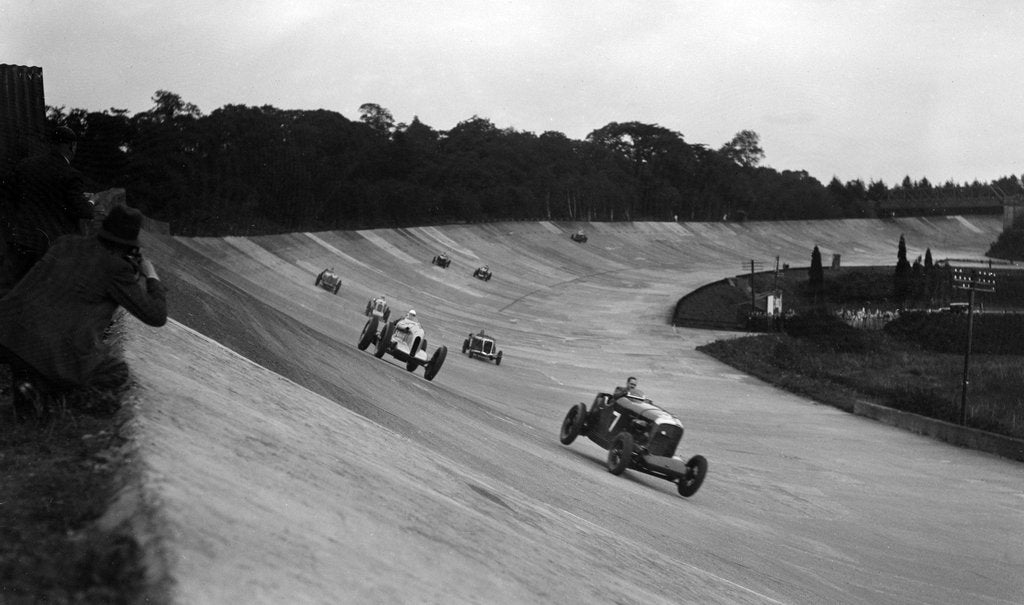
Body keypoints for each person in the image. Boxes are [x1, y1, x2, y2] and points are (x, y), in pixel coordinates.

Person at [0, 205, 167, 415]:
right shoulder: (117, 269)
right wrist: (151, 276)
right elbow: (156, 316)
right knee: (116, 372)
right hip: (46, 352)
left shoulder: (66, 243)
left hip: (8, 333)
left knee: (42, 349)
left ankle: (32, 387)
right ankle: (53, 399)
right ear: (127, 245)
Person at [1, 126, 96, 292]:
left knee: (11, 292)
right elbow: (84, 211)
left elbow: (7, 198)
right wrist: (91, 202)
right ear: (72, 146)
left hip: (21, 240)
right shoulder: (71, 174)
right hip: (52, 246)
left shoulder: (25, 165)